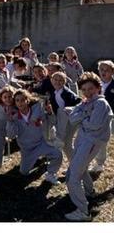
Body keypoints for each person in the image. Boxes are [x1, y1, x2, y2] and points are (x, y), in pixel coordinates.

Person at [65, 73, 113, 221]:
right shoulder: (85, 102)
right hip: (83, 140)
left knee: (72, 176)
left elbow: (94, 125)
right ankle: (90, 192)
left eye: (91, 88)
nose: (87, 92)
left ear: (98, 88)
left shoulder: (100, 103)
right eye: (84, 89)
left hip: (91, 142)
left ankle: (83, 211)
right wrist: (85, 114)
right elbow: (72, 118)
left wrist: (82, 118)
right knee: (81, 168)